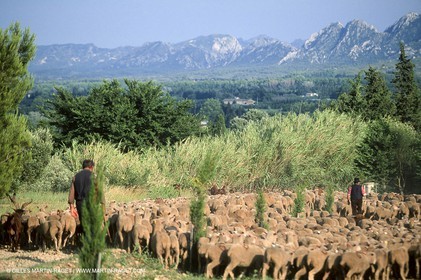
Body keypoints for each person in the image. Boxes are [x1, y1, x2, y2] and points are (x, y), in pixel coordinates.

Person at [68, 159, 95, 234]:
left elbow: (72, 192)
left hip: (80, 203)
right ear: (91, 167)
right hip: (90, 202)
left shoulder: (76, 176)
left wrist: (71, 207)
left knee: (83, 222)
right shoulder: (93, 176)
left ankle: (84, 241)